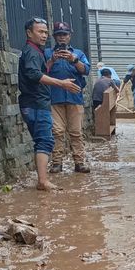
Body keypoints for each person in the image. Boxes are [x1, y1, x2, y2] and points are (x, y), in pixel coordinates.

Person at [17, 17, 81, 191]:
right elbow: (33, 75)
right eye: (40, 31)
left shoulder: (37, 51)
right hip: (36, 103)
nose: (44, 35)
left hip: (37, 102)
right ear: (29, 33)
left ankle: (43, 179)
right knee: (45, 140)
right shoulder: (31, 51)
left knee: (46, 139)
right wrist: (62, 83)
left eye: (46, 32)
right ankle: (43, 181)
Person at [47, 21, 91, 174]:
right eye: (59, 35)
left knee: (76, 132)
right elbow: (41, 72)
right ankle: (57, 163)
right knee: (57, 132)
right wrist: (52, 60)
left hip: (75, 98)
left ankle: (79, 163)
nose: (62, 38)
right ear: (54, 37)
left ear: (69, 36)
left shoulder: (78, 53)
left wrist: (74, 60)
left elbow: (86, 70)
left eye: (64, 34)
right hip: (55, 98)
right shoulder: (47, 53)